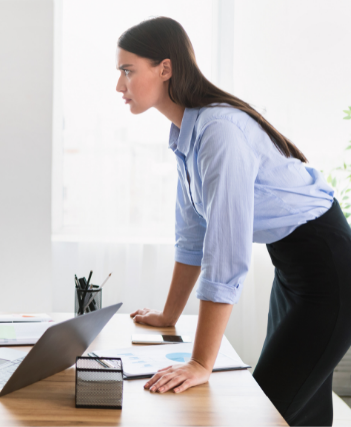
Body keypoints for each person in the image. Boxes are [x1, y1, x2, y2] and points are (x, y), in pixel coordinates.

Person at [119, 17, 351, 426]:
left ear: (165, 69)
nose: (119, 86)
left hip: (328, 269)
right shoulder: (185, 134)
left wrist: (200, 363)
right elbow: (193, 237)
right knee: (303, 411)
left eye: (127, 71)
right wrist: (169, 316)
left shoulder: (217, 130)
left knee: (265, 411)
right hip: (293, 265)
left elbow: (225, 253)